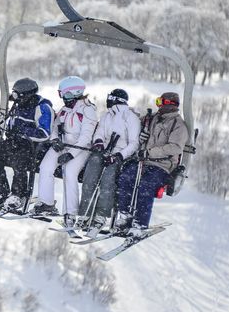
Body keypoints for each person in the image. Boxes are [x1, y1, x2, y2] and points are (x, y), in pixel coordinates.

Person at [115, 92, 188, 237]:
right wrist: (140, 133)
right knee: (125, 177)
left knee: (145, 185)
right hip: (143, 161)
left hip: (162, 166)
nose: (158, 105)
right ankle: (124, 215)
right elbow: (135, 126)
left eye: (160, 101)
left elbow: (175, 147)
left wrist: (150, 153)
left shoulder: (178, 125)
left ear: (169, 104)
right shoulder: (152, 118)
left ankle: (139, 224)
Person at [31, 76, 98, 226]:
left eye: (66, 95)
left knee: (69, 172)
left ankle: (70, 212)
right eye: (62, 95)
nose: (64, 99)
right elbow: (55, 126)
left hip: (80, 148)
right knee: (45, 167)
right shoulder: (64, 110)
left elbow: (86, 137)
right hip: (62, 144)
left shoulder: (88, 110)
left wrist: (71, 154)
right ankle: (46, 203)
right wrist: (55, 140)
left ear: (76, 93)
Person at [76, 88, 140, 236]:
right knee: (89, 177)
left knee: (107, 181)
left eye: (110, 97)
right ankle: (86, 212)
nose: (108, 100)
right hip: (104, 151)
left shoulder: (130, 117)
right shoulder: (107, 115)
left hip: (120, 155)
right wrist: (98, 142)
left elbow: (134, 143)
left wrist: (119, 155)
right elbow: (99, 132)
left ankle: (101, 216)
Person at [0, 77, 53, 212]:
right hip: (15, 141)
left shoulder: (42, 107)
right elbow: (10, 125)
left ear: (26, 94)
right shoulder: (18, 105)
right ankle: (1, 191)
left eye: (17, 94)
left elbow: (44, 133)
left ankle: (18, 195)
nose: (15, 97)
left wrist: (23, 132)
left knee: (18, 159)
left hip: (32, 145)